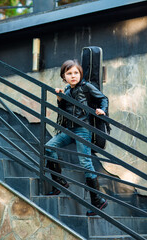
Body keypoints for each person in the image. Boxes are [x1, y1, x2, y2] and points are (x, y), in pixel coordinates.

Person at [46, 59, 108, 216]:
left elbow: (103, 98)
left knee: (85, 162)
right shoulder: (66, 90)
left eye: (76, 73)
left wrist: (102, 109)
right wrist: (60, 98)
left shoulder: (86, 87)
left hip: (83, 129)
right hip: (69, 129)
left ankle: (98, 200)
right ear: (63, 76)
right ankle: (59, 181)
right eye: (69, 73)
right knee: (49, 147)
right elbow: (63, 110)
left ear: (80, 74)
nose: (73, 76)